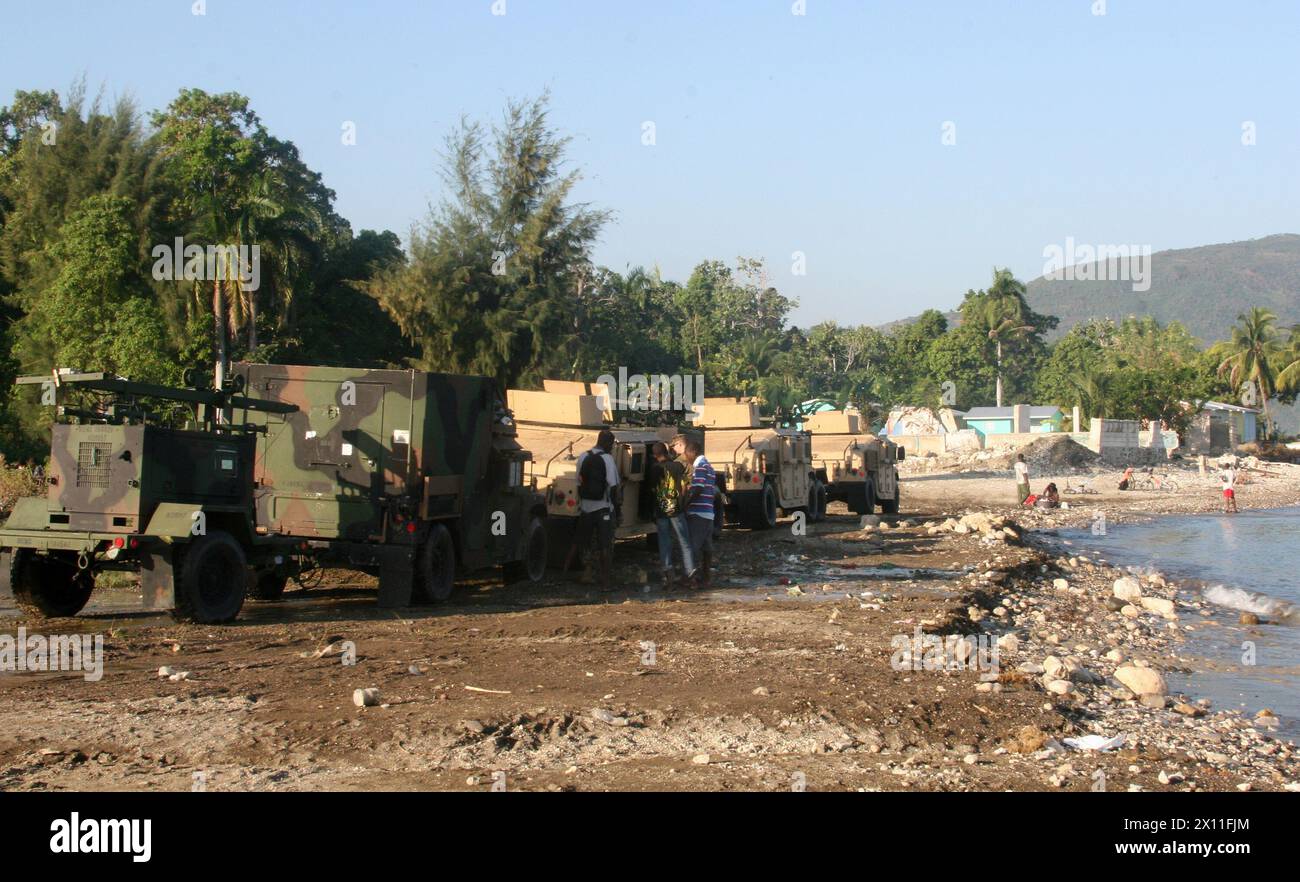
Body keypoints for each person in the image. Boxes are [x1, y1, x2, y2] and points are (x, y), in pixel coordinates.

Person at [563, 429, 621, 591]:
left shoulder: (583, 456)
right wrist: (617, 509)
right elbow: (614, 486)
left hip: (586, 508)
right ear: (608, 443)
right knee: (605, 546)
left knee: (579, 542)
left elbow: (578, 481)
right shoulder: (607, 459)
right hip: (603, 508)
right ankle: (605, 583)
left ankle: (565, 573)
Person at [648, 441, 694, 588]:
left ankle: (668, 577)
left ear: (655, 455)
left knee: (664, 543)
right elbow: (685, 486)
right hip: (676, 510)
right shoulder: (677, 466)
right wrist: (683, 503)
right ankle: (691, 576)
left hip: (661, 512)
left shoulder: (653, 469)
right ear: (667, 452)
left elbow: (651, 491)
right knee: (685, 543)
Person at [679, 435, 717, 588]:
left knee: (692, 547)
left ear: (692, 452)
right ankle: (706, 577)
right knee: (707, 548)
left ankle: (691, 579)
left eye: (686, 455)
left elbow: (699, 487)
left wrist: (686, 504)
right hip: (708, 512)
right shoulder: (709, 466)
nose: (686, 458)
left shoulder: (700, 466)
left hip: (698, 512)